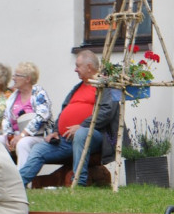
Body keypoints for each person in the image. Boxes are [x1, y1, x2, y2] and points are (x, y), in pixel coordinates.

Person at [19, 50, 119, 187]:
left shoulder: (106, 86)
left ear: (89, 67)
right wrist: (55, 131)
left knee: (81, 134)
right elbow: (64, 111)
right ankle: (17, 185)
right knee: (39, 149)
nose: (75, 69)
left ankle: (78, 182)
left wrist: (82, 125)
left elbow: (107, 111)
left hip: (94, 136)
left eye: (78, 66)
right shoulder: (77, 88)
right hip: (65, 139)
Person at [2, 61, 53, 170]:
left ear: (28, 79)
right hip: (16, 135)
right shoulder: (13, 96)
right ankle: (1, 180)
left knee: (22, 143)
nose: (13, 78)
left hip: (37, 136)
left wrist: (23, 135)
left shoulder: (38, 93)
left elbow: (42, 116)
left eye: (17, 75)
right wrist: (8, 136)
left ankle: (22, 182)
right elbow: (6, 117)